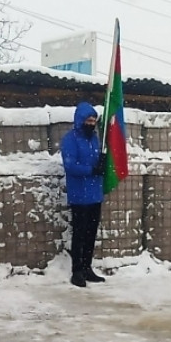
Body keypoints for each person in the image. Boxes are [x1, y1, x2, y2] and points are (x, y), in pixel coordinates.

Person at [60, 101, 107, 288]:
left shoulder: (95, 139)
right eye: (88, 120)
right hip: (79, 194)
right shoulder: (70, 139)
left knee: (90, 233)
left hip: (95, 194)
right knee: (79, 234)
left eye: (94, 120)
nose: (91, 123)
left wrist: (102, 163)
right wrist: (91, 170)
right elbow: (70, 165)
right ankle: (77, 270)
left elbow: (97, 162)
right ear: (80, 120)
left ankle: (87, 267)